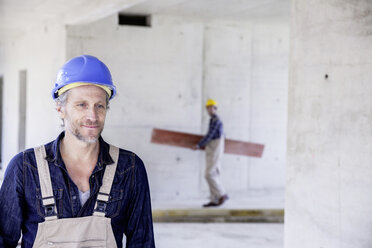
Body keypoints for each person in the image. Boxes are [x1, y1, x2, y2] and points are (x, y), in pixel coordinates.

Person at [0, 55, 155, 248]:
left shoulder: (129, 168)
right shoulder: (24, 168)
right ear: (60, 109)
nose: (92, 115)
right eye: (81, 105)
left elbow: (142, 243)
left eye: (99, 105)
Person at [194, 99, 229, 207]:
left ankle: (222, 194)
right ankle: (214, 199)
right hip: (213, 148)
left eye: (211, 107)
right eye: (208, 107)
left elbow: (210, 135)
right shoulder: (212, 120)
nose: (209, 109)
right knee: (213, 173)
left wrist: (199, 144)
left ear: (215, 108)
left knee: (209, 174)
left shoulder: (216, 121)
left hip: (215, 149)